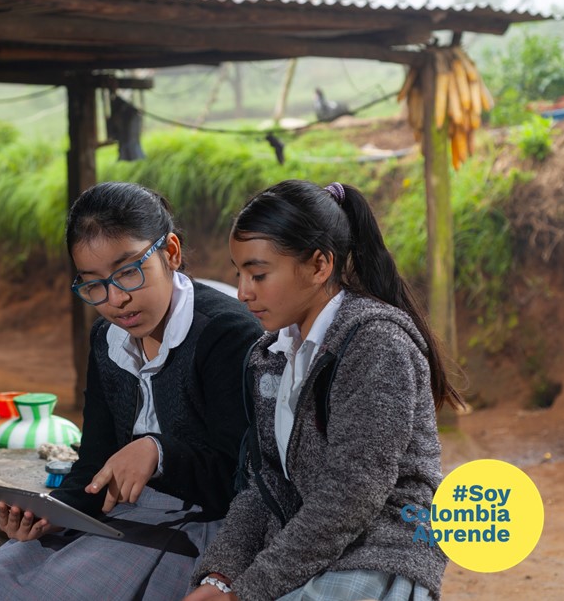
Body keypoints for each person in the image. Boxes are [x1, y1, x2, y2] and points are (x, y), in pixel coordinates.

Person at [0, 182, 261, 600]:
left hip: (204, 527)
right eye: (93, 284)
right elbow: (94, 460)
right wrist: (54, 514)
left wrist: (158, 451)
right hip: (124, 517)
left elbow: (242, 480)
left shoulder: (224, 334)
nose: (115, 300)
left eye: (129, 271)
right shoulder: (107, 339)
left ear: (170, 252)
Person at [185, 180, 463, 601]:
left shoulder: (377, 345)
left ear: (319, 266)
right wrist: (220, 577)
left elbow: (351, 495)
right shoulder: (271, 354)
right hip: (307, 550)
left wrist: (249, 590)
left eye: (258, 274)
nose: (242, 292)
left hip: (379, 554)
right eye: (238, 272)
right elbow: (264, 483)